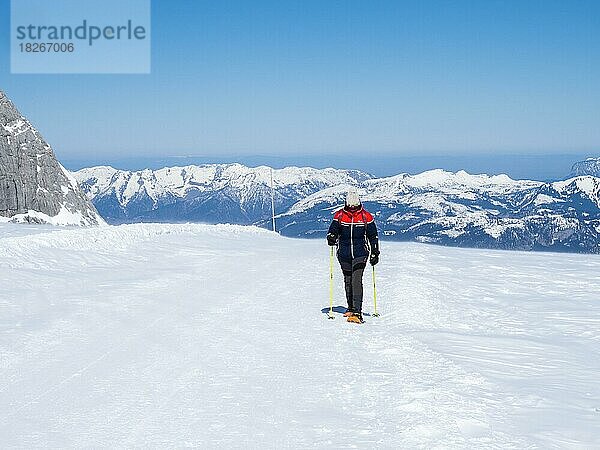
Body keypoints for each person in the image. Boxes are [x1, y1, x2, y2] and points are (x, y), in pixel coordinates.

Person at [326, 188, 379, 323]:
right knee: (348, 280)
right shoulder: (339, 216)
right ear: (346, 204)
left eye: (354, 206)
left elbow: (373, 236)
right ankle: (350, 307)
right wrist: (331, 237)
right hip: (343, 253)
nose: (352, 208)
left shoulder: (366, 217)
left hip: (361, 253)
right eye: (350, 206)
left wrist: (375, 252)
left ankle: (357, 312)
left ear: (359, 203)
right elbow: (333, 230)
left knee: (356, 280)